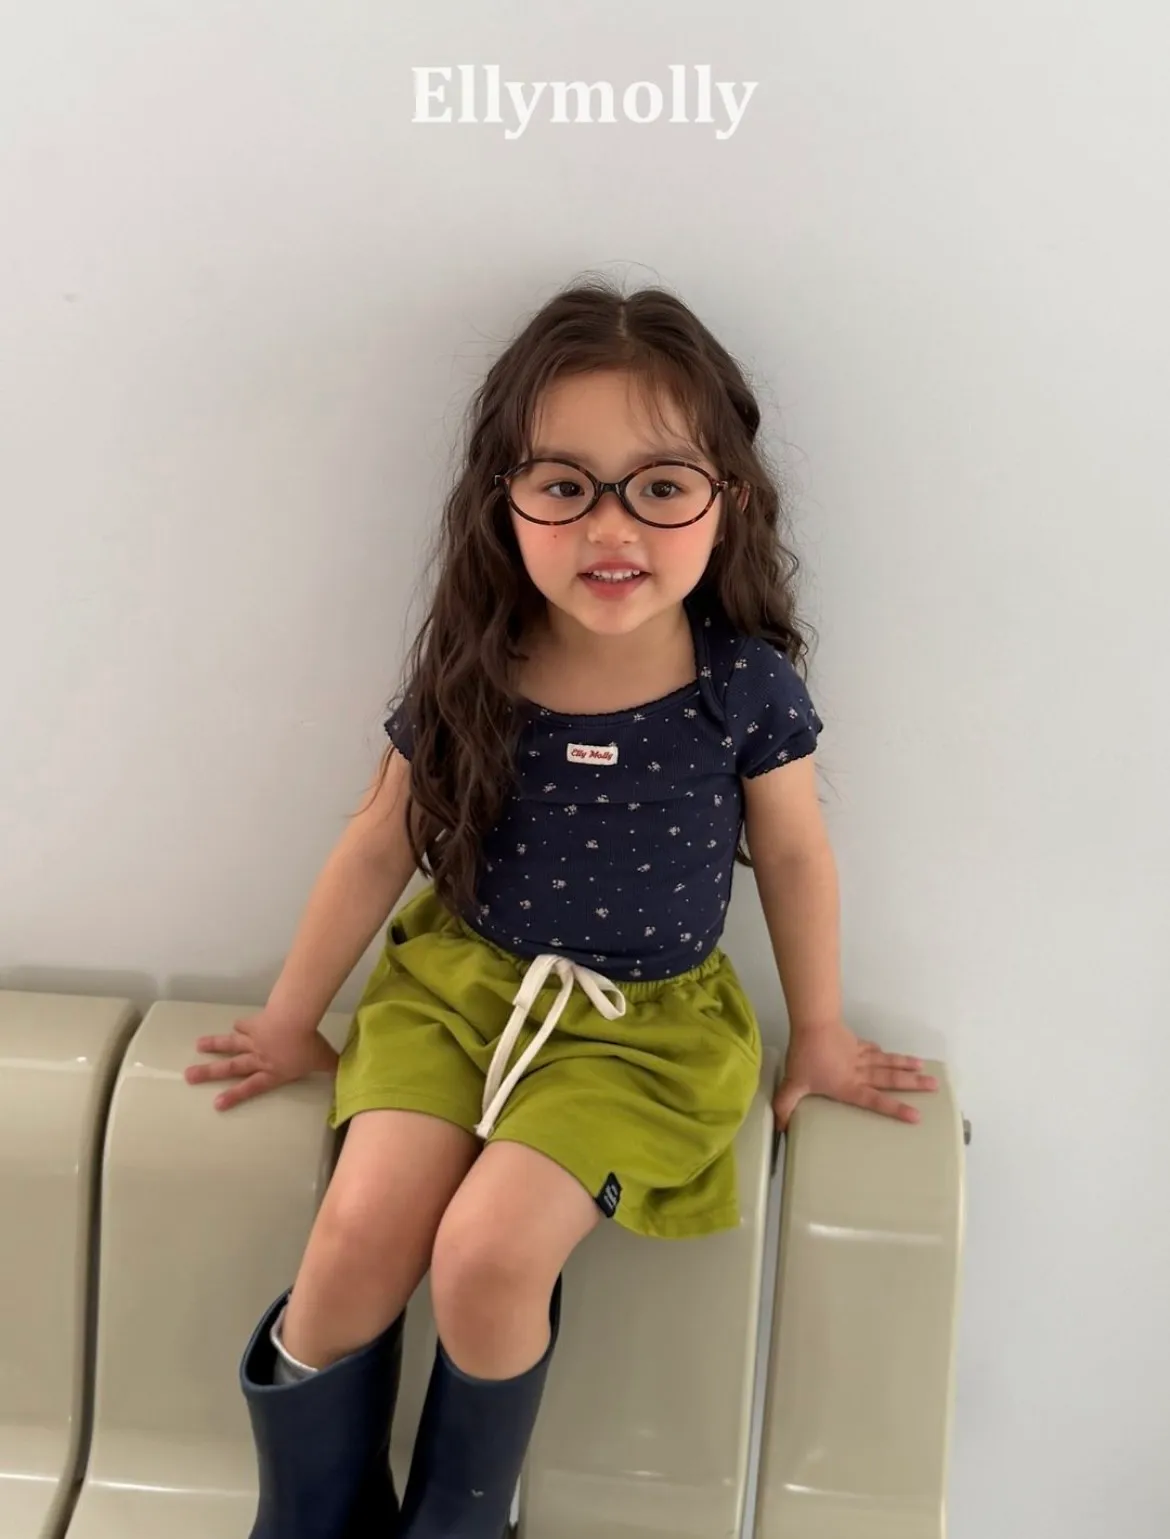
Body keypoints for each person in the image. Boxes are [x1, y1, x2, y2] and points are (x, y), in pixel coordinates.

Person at [184, 276, 939, 1539]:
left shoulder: (744, 690)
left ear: (729, 501)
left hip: (643, 1038)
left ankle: (461, 1523)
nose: (611, 526)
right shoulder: (476, 670)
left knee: (486, 1254)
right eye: (565, 484)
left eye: (660, 485)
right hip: (454, 995)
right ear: (506, 500)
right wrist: (287, 1016)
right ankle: (309, 1519)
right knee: (355, 1233)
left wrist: (819, 1030)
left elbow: (797, 858)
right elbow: (377, 845)